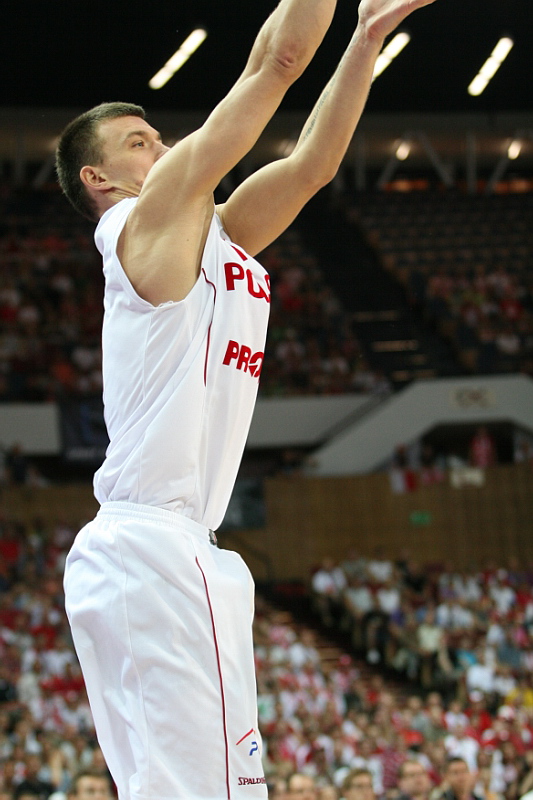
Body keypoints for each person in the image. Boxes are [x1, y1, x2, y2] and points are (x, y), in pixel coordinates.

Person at [55, 0, 438, 796]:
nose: (162, 146)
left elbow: (313, 165)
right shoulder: (138, 225)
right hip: (152, 544)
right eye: (139, 142)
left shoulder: (218, 232)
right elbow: (276, 63)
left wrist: (366, 35)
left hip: (162, 548)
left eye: (159, 136)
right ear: (100, 179)